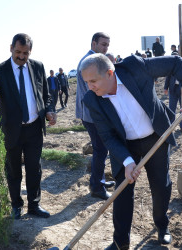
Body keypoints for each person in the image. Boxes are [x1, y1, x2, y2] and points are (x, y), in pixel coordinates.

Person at [80, 53, 182, 250]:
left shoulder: (135, 67)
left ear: (110, 73)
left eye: (93, 81)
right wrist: (128, 162)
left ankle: (162, 226)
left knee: (160, 186)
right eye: (86, 82)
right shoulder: (92, 100)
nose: (90, 87)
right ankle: (121, 241)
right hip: (125, 146)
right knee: (122, 192)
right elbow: (108, 136)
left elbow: (175, 63)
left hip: (156, 136)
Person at [0, 33, 56, 220]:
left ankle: (34, 205)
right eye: (18, 52)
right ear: (11, 48)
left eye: (26, 53)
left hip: (34, 127)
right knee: (13, 169)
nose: (21, 56)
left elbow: (46, 95)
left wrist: (49, 110)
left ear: (31, 51)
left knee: (34, 168)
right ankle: (16, 205)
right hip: (11, 129)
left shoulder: (38, 67)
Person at [76, 32, 115, 200]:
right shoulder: (88, 63)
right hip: (92, 114)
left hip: (92, 113)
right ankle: (96, 187)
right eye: (103, 44)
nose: (106, 48)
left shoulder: (95, 61)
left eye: (108, 45)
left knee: (101, 148)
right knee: (100, 149)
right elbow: (92, 93)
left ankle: (98, 180)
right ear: (94, 44)